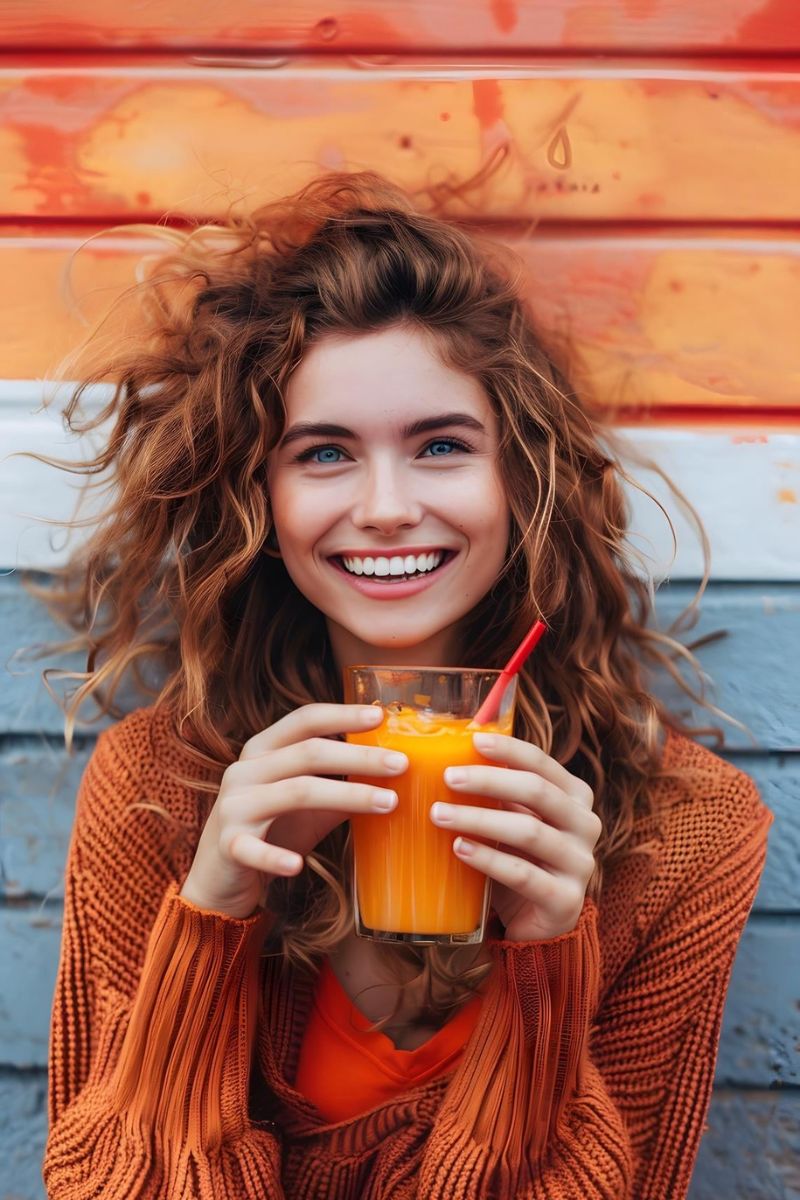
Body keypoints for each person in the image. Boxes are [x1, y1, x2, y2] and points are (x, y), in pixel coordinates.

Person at [39, 169, 773, 1199]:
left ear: (519, 476)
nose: (385, 507)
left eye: (438, 447)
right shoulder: (159, 791)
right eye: (325, 453)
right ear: (263, 497)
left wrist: (545, 963)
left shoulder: (682, 833)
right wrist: (212, 917)